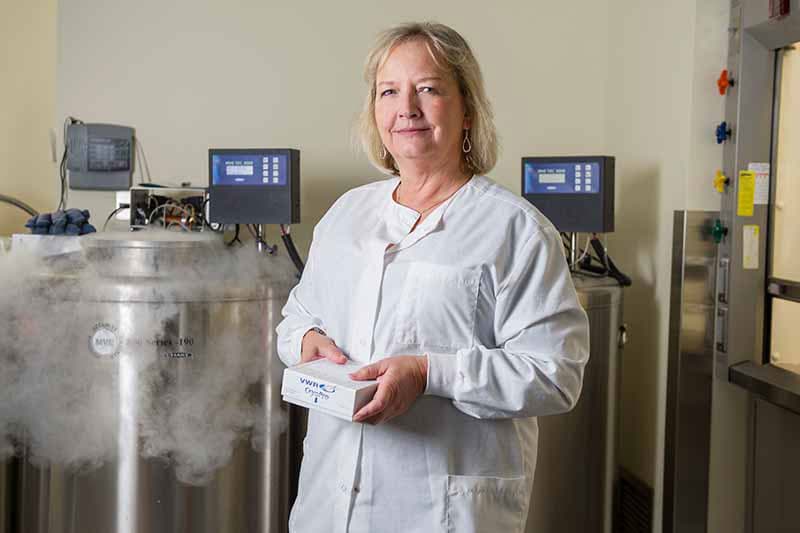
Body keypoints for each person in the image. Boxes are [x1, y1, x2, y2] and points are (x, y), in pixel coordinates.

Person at [276, 21, 590, 533]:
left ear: (467, 109)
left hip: (442, 514)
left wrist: (428, 374)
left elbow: (556, 375)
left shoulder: (516, 230)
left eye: (428, 88)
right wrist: (308, 340)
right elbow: (295, 318)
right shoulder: (345, 217)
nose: (407, 109)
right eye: (389, 91)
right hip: (328, 508)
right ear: (374, 111)